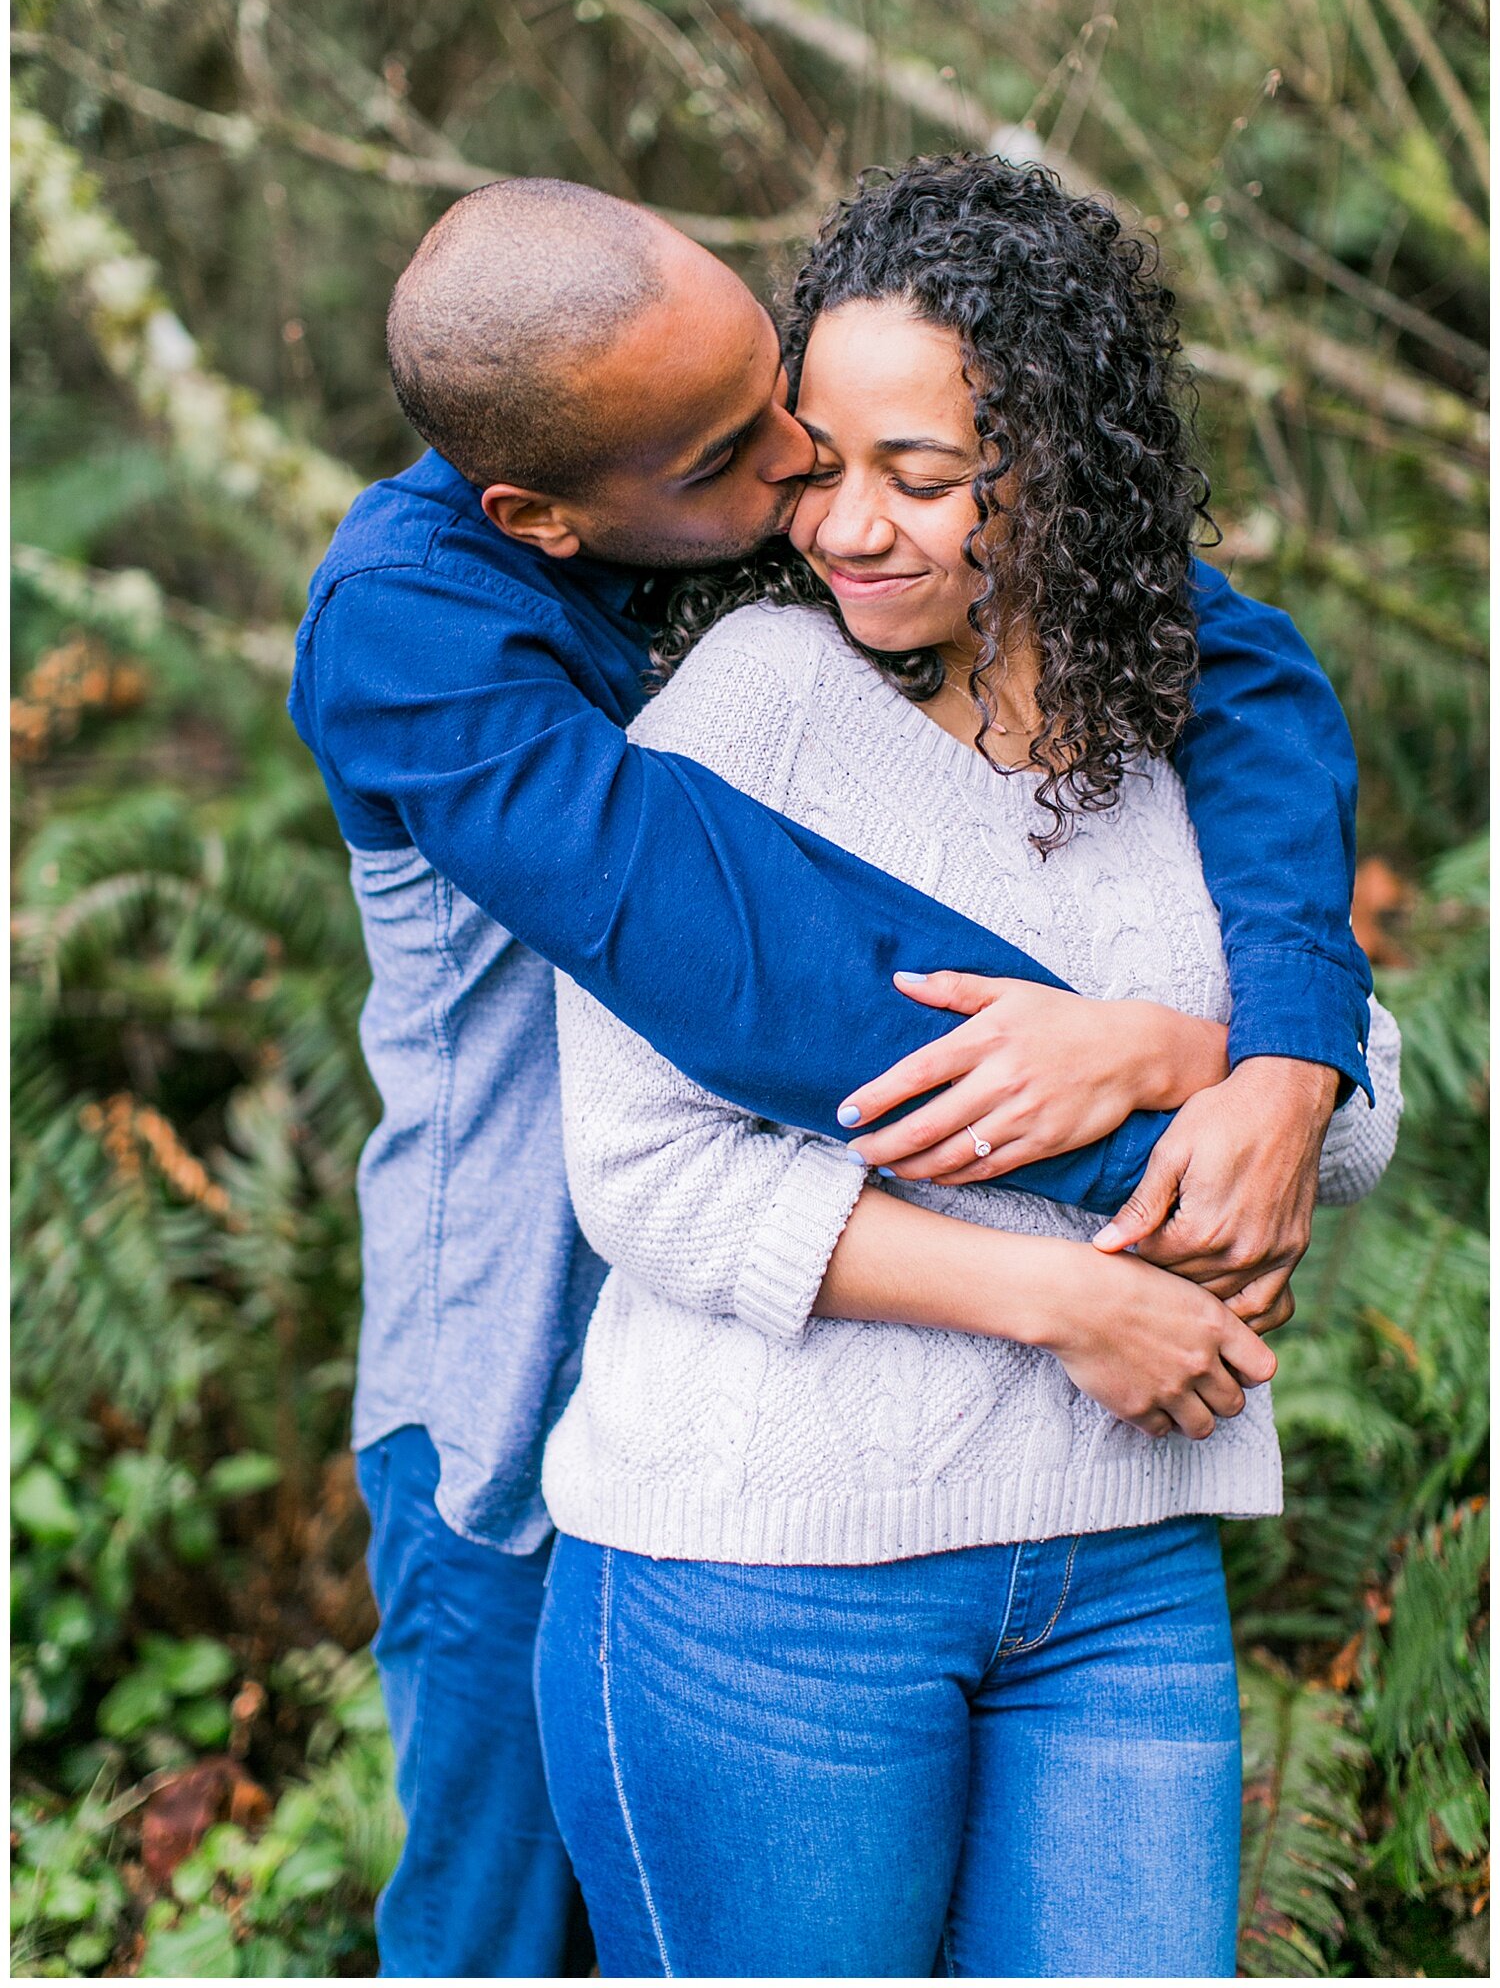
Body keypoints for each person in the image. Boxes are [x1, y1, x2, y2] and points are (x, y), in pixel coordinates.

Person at [288, 172, 1375, 1977]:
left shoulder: (780, 494)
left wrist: (1280, 1056)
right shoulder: (415, 634)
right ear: (543, 517)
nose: (806, 470)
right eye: (754, 447)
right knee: (496, 1931)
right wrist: (1172, 1166)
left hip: (866, 1425)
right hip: (519, 1375)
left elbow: (1227, 663)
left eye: (795, 396)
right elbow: (740, 959)